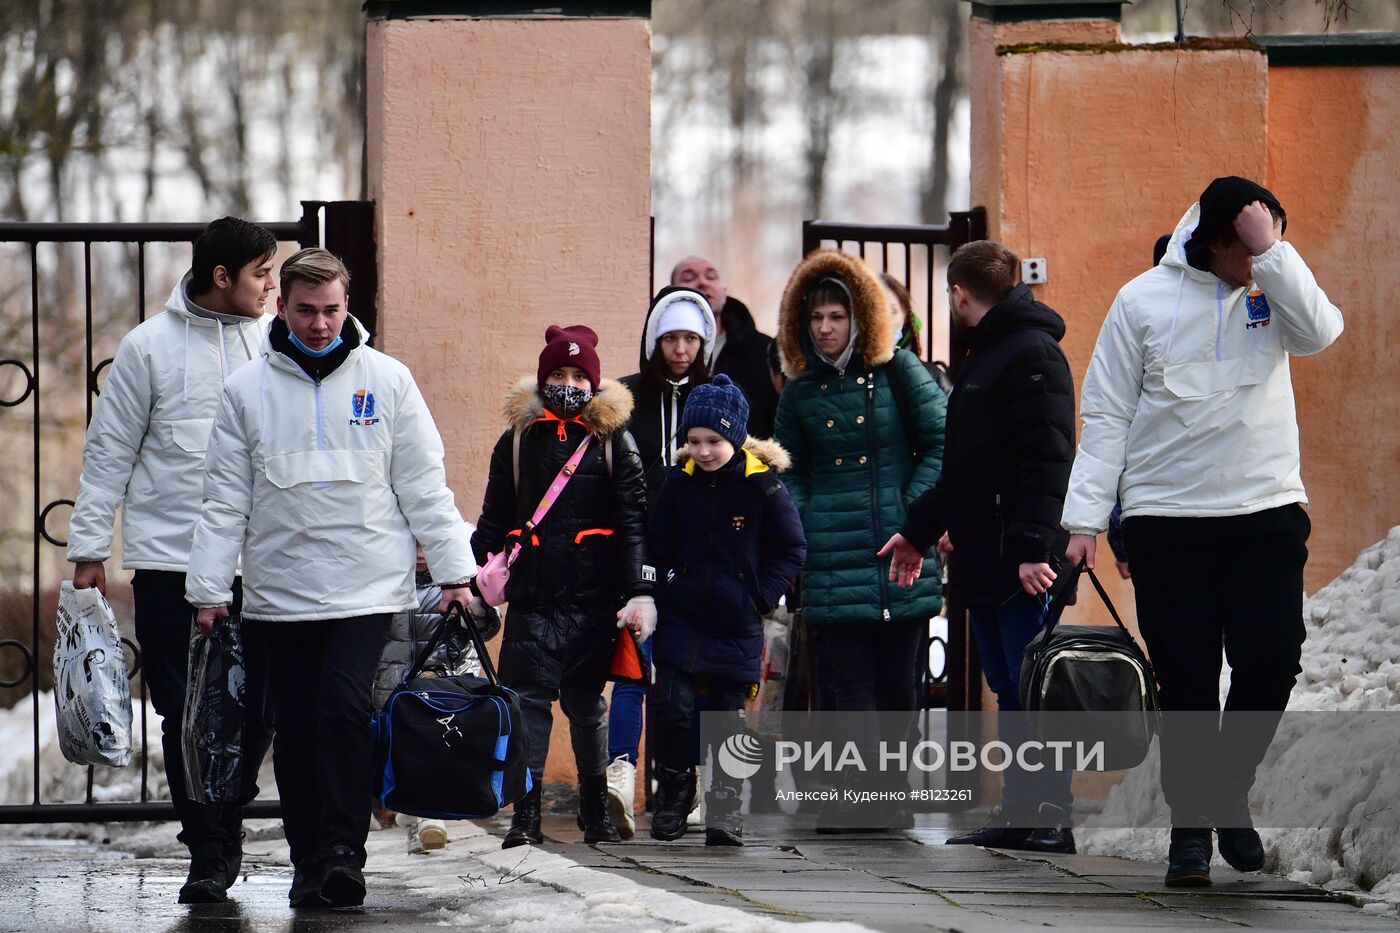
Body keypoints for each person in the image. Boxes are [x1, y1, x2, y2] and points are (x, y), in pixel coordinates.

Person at [1060, 177, 1343, 886]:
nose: (1258, 257)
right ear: (1215, 241)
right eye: (1246, 246)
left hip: (1266, 511)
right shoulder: (1141, 302)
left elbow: (1321, 331)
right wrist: (1084, 519)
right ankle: (1190, 829)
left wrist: (1272, 251)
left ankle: (1227, 788)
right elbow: (1108, 415)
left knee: (1273, 658)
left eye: (1267, 243)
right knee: (1186, 678)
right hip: (1169, 521)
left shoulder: (1274, 286)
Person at [185, 248, 480, 909]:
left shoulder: (389, 380)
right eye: (306, 310)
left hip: (366, 584)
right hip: (279, 592)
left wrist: (455, 570)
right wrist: (208, 589)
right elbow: (224, 498)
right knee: (294, 727)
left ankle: (345, 853)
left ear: (349, 308)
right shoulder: (247, 392)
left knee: (344, 711)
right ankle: (307, 862)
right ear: (283, 307)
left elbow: (422, 483)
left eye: (332, 310)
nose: (320, 324)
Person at [67, 217, 277, 904]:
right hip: (170, 565)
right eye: (260, 273)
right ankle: (208, 848)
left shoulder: (273, 344)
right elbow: (109, 452)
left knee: (259, 708)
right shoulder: (148, 349)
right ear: (223, 276)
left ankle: (231, 811)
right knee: (185, 711)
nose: (272, 285)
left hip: (264, 565)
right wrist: (90, 549)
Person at [879, 240, 1077, 853]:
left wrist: (1033, 548)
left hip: (1020, 560)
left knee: (1029, 686)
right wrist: (917, 531)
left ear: (959, 293)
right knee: (1007, 684)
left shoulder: (1031, 353)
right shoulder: (988, 355)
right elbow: (965, 471)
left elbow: (1050, 460)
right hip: (988, 554)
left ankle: (1049, 817)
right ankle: (1024, 814)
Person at [772, 249, 946, 831]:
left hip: (902, 553)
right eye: (815, 317)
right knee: (847, 686)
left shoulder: (901, 372)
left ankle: (891, 799)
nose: (824, 328)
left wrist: (913, 516)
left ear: (860, 318)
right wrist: (806, 515)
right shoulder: (799, 392)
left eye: (836, 317)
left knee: (899, 687)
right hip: (831, 556)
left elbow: (943, 444)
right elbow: (788, 469)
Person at [471, 325, 653, 849]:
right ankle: (525, 816)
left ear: (594, 384)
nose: (568, 384)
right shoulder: (519, 440)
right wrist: (472, 582)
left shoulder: (615, 441)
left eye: (579, 375)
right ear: (543, 378)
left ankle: (593, 809)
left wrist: (639, 590)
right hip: (533, 597)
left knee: (586, 706)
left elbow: (634, 522)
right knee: (528, 706)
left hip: (592, 601)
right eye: (558, 374)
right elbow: (492, 517)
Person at [647, 375, 806, 845]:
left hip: (736, 621)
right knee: (673, 709)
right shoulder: (678, 486)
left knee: (727, 718)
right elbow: (657, 545)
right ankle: (675, 792)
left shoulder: (763, 487)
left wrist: (761, 596)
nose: (703, 451)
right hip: (682, 616)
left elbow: (792, 549)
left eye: (713, 441)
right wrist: (659, 587)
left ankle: (725, 808)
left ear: (734, 438)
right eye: (694, 441)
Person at [607, 287, 717, 837]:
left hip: (699, 558)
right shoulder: (624, 399)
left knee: (693, 675)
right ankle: (618, 782)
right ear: (654, 341)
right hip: (635, 553)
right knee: (633, 669)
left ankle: (691, 785)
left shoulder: (718, 396)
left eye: (690, 339)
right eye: (670, 337)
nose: (680, 349)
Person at [370, 544, 499, 855]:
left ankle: (427, 819)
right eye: (410, 542)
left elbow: (489, 626)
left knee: (434, 750)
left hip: (447, 684)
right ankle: (415, 817)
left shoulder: (459, 579)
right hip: (392, 684)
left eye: (424, 543)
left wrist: (475, 611)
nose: (418, 552)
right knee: (403, 755)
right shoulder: (382, 582)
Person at [671, 255, 779, 438]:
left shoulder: (763, 350)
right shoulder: (665, 354)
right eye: (689, 278)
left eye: (711, 277)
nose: (702, 283)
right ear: (671, 292)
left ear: (724, 288)